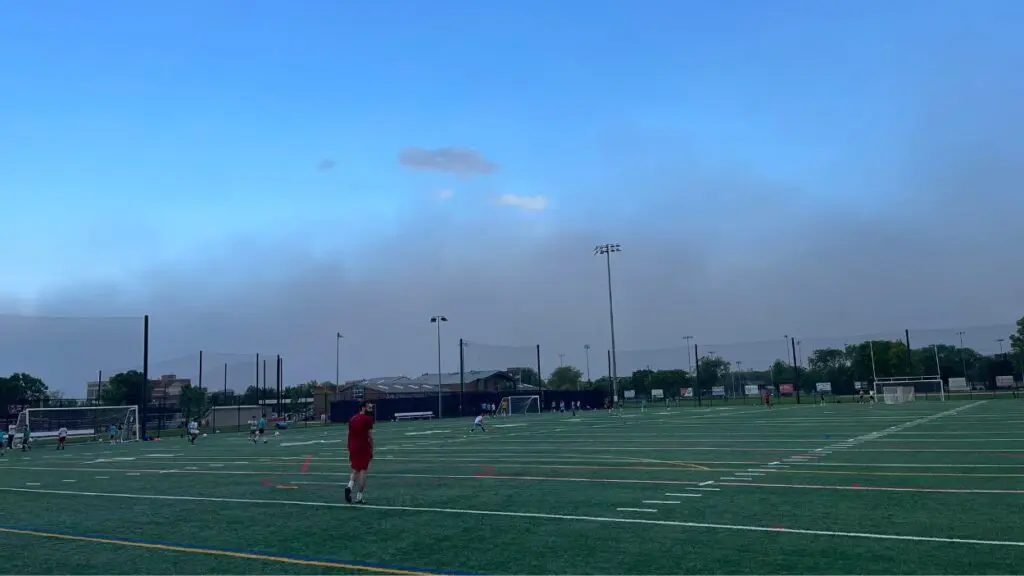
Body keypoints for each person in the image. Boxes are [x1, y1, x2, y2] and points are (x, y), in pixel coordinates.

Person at [346, 402, 375, 504]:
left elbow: (349, 434)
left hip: (352, 447)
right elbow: (369, 436)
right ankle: (359, 497)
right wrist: (372, 448)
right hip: (363, 447)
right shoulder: (368, 419)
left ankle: (349, 486)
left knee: (355, 469)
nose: (371, 410)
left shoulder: (352, 419)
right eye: (369, 408)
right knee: (363, 470)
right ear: (363, 408)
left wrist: (349, 446)